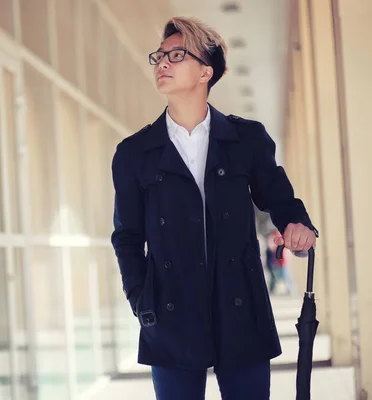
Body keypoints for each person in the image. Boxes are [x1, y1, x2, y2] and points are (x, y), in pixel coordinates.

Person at [110, 17, 319, 399]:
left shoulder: (247, 139)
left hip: (241, 305)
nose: (162, 63)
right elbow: (127, 235)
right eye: (159, 56)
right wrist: (141, 300)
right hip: (170, 312)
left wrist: (298, 225)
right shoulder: (133, 154)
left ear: (206, 71)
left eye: (176, 55)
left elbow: (280, 200)